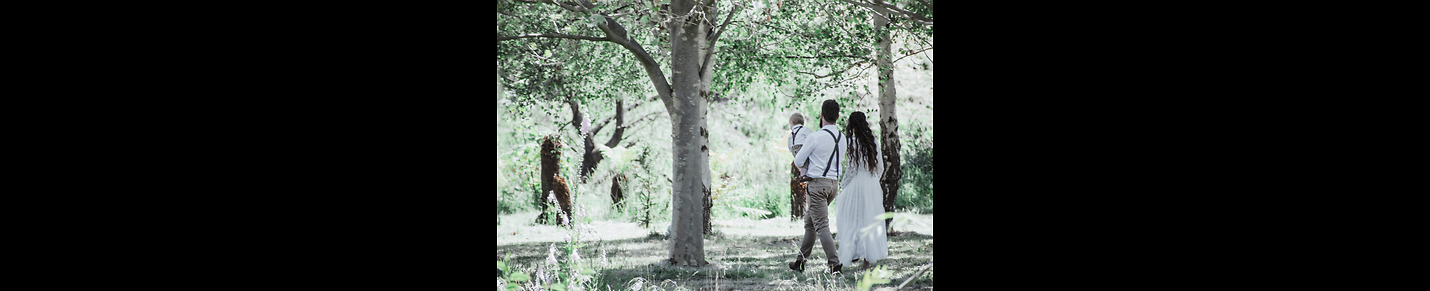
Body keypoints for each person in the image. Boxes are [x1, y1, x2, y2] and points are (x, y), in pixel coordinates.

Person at [789, 99, 846, 274]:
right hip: (833, 185)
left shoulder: (815, 137)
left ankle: (834, 264)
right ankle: (800, 261)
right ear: (837, 116)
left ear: (822, 116)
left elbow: (798, 160)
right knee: (810, 223)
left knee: (821, 225)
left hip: (817, 186)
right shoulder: (842, 137)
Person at [833, 111, 889, 270]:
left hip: (857, 183)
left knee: (851, 218)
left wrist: (843, 185)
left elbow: (851, 168)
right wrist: (872, 182)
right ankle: (867, 260)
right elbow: (880, 168)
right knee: (870, 219)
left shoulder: (851, 142)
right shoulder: (873, 141)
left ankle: (853, 252)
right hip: (871, 183)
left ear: (852, 125)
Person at [788, 113, 811, 178]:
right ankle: (803, 175)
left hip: (794, 149)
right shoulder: (804, 129)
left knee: (800, 162)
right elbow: (810, 138)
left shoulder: (791, 134)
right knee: (806, 161)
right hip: (801, 147)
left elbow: (789, 144)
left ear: (792, 123)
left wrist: (792, 150)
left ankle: (801, 172)